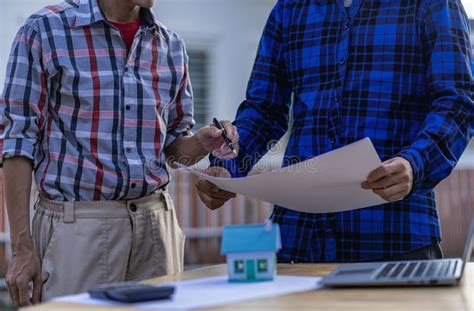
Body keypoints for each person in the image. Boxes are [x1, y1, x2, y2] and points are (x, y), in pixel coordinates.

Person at [197, 0, 473, 264]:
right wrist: (227, 165)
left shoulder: (433, 3)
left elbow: (458, 103)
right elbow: (264, 109)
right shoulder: (290, 8)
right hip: (298, 241)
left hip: (394, 236)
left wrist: (415, 164)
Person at [0, 0, 238, 306]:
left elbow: (173, 150)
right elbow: (18, 140)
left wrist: (202, 143)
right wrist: (21, 247)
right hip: (78, 231)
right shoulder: (45, 30)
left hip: (157, 227)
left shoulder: (171, 45)